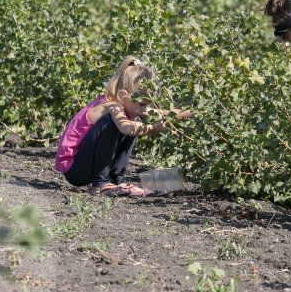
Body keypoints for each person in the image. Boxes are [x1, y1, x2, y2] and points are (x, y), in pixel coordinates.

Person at [54, 56, 193, 197]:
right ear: (123, 95)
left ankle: (115, 181)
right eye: (143, 104)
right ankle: (101, 184)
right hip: (75, 169)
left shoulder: (131, 105)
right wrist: (152, 129)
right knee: (119, 123)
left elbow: (162, 113)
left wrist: (195, 113)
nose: (146, 109)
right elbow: (126, 128)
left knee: (136, 121)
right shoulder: (111, 106)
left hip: (87, 164)